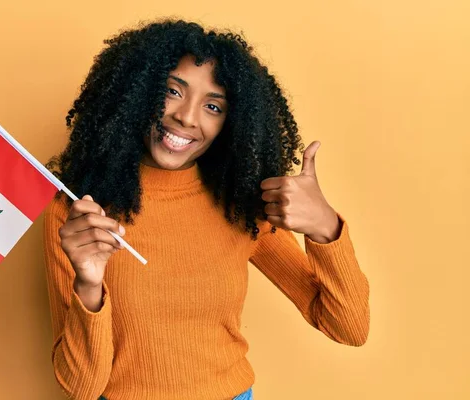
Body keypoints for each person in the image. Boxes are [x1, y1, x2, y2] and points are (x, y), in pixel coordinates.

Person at [42, 18, 370, 400]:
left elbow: (349, 327)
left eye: (213, 106)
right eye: (172, 91)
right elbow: (81, 388)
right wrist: (89, 286)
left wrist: (325, 228)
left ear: (231, 123)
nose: (187, 117)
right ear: (137, 91)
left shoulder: (241, 208)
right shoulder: (80, 214)